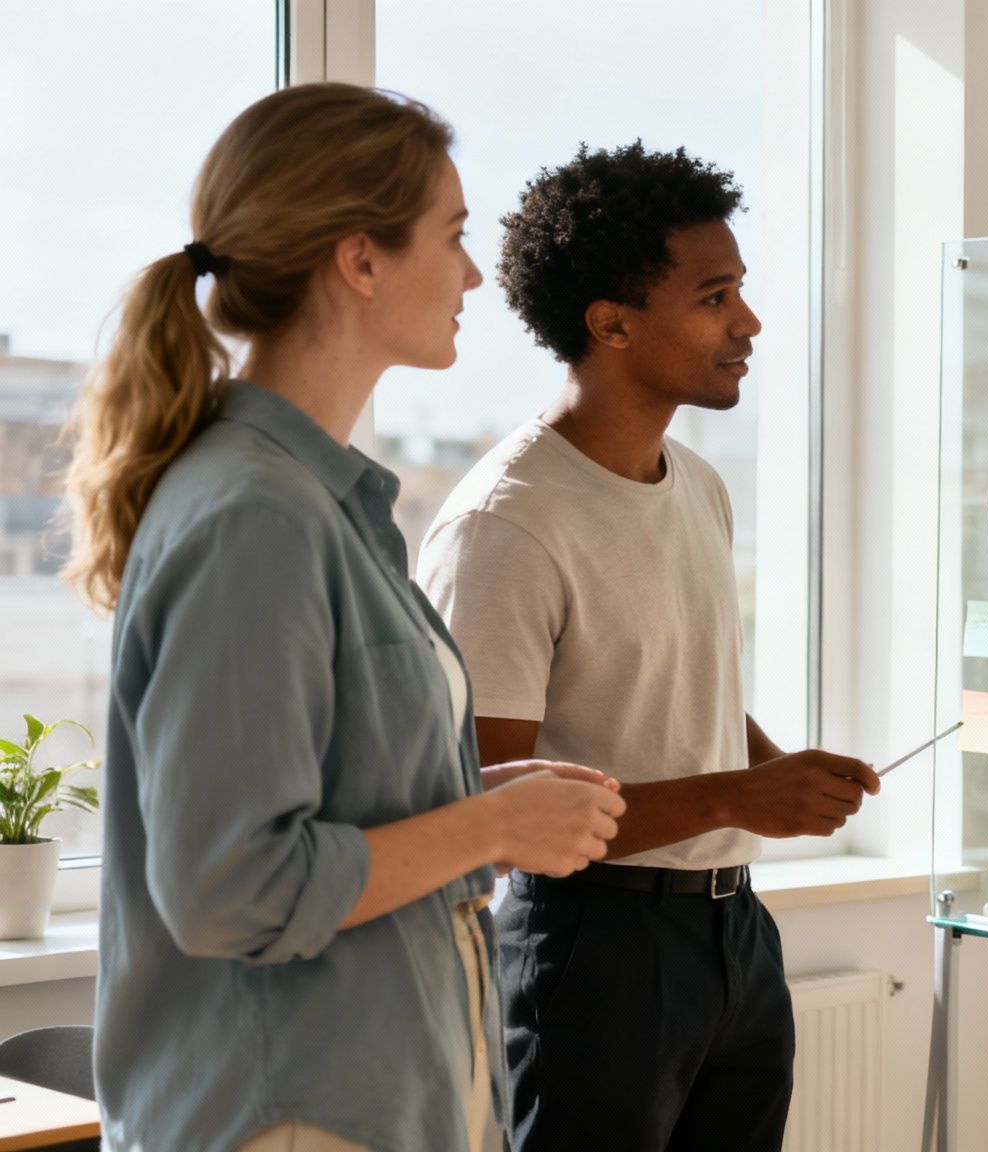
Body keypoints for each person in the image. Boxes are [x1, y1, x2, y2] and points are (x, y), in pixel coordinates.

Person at [63, 83, 627, 1152]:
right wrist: (492, 827)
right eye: (452, 237)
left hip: (369, 1097)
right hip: (288, 1115)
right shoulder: (254, 515)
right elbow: (231, 886)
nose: (470, 275)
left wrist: (465, 798)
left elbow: (326, 815)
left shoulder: (322, 504)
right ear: (359, 258)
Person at [417, 142, 881, 1151]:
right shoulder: (508, 522)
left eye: (740, 293)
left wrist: (771, 768)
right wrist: (731, 797)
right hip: (590, 947)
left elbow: (676, 693)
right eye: (715, 296)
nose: (747, 323)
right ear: (612, 322)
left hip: (733, 934)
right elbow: (484, 806)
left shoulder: (698, 486)